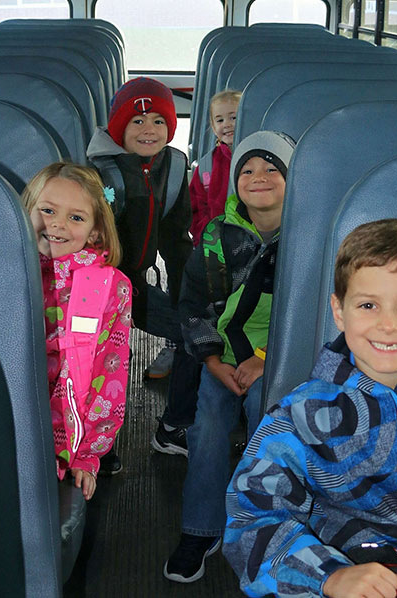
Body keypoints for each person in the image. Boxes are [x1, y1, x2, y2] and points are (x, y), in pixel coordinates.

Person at [223, 218, 397, 598]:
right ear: (339, 311)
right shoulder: (303, 415)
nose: (388, 325)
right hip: (355, 567)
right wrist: (328, 575)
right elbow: (252, 514)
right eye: (368, 305)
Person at [164, 130, 296, 583]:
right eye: (247, 170)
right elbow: (194, 302)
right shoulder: (218, 236)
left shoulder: (309, 236)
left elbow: (315, 310)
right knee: (208, 427)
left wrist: (265, 358)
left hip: (279, 352)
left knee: (268, 421)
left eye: (271, 168)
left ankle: (267, 524)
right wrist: (212, 360)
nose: (258, 177)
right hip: (222, 351)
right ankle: (201, 529)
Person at [87, 76, 199, 468]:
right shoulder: (100, 172)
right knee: (101, 362)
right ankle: (95, 447)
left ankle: (173, 427)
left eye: (158, 121)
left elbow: (176, 236)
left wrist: (191, 297)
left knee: (195, 333)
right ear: (119, 128)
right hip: (98, 288)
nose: (148, 129)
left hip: (136, 284)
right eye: (137, 121)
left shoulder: (173, 165)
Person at [21, 162, 132, 500]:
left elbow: (109, 378)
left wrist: (86, 454)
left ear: (95, 232)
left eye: (76, 218)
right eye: (48, 210)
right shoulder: (4, 271)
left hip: (64, 442)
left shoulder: (110, 288)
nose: (57, 224)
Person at [189, 89, 242, 246]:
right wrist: (206, 235)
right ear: (213, 127)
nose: (227, 124)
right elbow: (196, 207)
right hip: (215, 241)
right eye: (219, 120)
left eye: (234, 117)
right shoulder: (207, 165)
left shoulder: (259, 156)